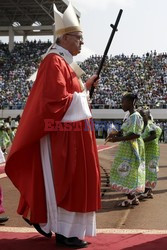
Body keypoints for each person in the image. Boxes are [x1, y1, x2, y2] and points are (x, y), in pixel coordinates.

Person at [5, 2, 101, 249]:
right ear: (65, 37)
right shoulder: (54, 62)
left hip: (73, 136)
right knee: (66, 181)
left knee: (74, 180)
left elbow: (71, 94)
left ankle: (61, 227)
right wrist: (82, 97)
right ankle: (63, 231)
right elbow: (54, 101)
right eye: (79, 38)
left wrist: (85, 88)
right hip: (62, 138)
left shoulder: (65, 63)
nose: (82, 42)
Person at [105, 92, 145, 207]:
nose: (121, 104)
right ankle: (132, 198)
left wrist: (117, 139)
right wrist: (116, 134)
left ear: (130, 103)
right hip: (127, 148)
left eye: (123, 102)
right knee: (126, 171)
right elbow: (126, 130)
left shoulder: (136, 116)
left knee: (128, 171)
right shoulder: (130, 117)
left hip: (132, 149)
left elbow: (135, 134)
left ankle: (131, 198)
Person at [138, 107, 162, 199]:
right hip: (146, 151)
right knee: (146, 170)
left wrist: (142, 141)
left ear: (148, 115)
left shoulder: (150, 125)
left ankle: (148, 190)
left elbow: (154, 135)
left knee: (150, 170)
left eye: (143, 115)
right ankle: (147, 190)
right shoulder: (143, 125)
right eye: (140, 115)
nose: (141, 117)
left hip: (152, 152)